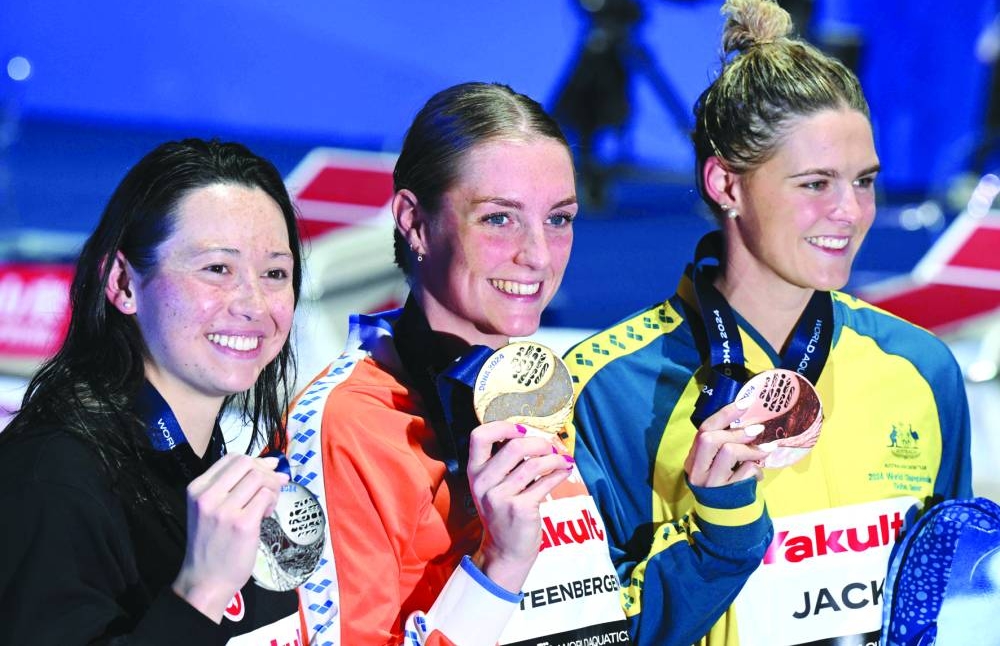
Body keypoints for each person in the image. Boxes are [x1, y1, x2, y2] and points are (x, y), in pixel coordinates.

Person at [284, 81, 772, 646]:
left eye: (559, 219)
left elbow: (610, 626)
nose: (537, 255)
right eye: (498, 218)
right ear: (415, 222)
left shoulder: (546, 394)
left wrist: (726, 522)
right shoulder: (348, 423)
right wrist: (499, 568)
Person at [565, 0, 973, 646]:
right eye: (816, 183)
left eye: (864, 181)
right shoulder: (606, 390)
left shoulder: (922, 370)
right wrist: (718, 533)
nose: (851, 212)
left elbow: (943, 604)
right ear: (727, 185)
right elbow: (581, 631)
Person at [0, 138, 305, 643]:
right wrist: (201, 591)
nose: (254, 304)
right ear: (122, 283)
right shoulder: (50, 479)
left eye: (275, 273)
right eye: (217, 269)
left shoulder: (204, 464)